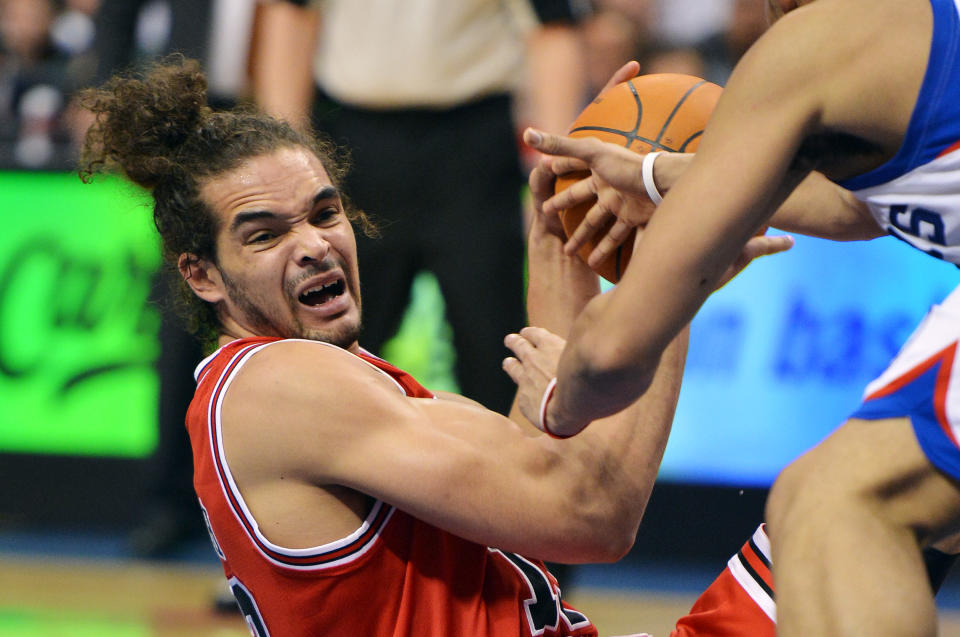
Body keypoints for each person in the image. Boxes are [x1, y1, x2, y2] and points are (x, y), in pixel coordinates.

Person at [76, 57, 790, 636]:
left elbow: (533, 471)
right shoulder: (275, 385)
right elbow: (593, 516)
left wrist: (560, 243)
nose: (314, 246)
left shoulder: (337, 378)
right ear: (202, 275)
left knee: (828, 512)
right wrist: (676, 267)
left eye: (325, 213)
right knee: (823, 513)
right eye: (265, 234)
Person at [518, 0, 960, 635]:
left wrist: (559, 401)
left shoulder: (808, 44)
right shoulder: (913, 28)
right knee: (898, 498)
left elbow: (613, 353)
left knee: (832, 506)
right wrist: (659, 172)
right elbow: (859, 207)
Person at [250, 0, 589, 416]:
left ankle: (507, 474)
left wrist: (550, 172)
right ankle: (324, 476)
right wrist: (283, 158)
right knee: (329, 344)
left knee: (493, 346)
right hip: (355, 140)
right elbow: (290, 13)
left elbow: (553, 28)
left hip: (474, 143)